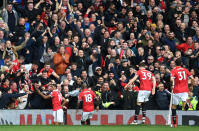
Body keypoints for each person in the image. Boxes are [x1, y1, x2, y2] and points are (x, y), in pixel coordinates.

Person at [170, 58, 195, 128]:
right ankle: (186, 104)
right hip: (185, 90)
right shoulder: (186, 70)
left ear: (175, 64)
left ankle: (174, 123)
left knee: (174, 106)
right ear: (181, 63)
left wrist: (172, 85)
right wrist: (192, 86)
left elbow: (171, 79)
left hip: (176, 90)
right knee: (184, 106)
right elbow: (192, 78)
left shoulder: (174, 70)